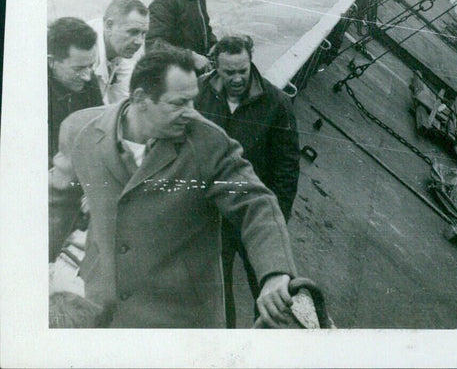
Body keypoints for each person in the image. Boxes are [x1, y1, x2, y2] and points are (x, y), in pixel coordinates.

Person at [49, 47, 298, 328]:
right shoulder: (80, 130)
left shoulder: (208, 142)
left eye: (193, 100)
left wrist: (275, 273)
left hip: (179, 318)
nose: (191, 113)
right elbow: (56, 206)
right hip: (104, 305)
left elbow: (256, 205)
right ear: (141, 98)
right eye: (179, 103)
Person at [196, 34, 300, 328]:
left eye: (243, 70)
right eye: (230, 72)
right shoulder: (199, 92)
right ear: (216, 65)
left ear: (251, 61)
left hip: (253, 214)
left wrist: (277, 218)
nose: (238, 78)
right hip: (215, 215)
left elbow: (287, 169)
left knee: (268, 287)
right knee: (218, 290)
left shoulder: (277, 104)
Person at [48, 17, 103, 165]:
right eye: (78, 69)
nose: (87, 77)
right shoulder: (32, 94)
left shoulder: (88, 77)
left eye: (90, 66)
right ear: (51, 61)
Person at [88, 0, 149, 104]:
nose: (139, 42)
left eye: (143, 33)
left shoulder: (122, 50)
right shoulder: (86, 51)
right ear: (109, 26)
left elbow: (123, 101)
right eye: (133, 32)